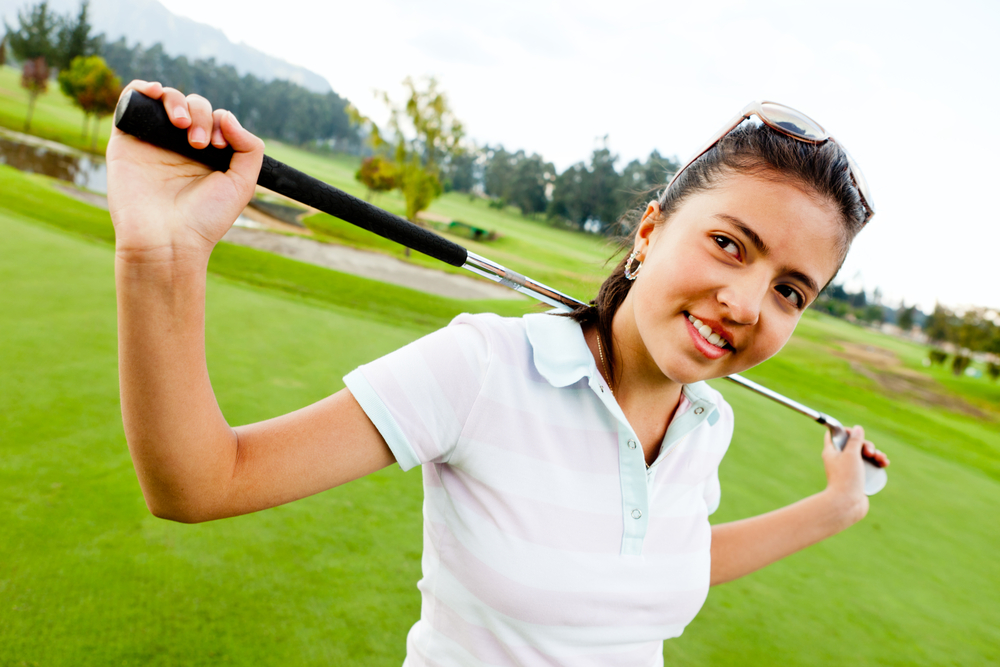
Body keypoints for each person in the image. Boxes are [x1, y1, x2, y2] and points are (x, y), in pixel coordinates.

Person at [108, 82, 890, 666]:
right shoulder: (483, 366)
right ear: (651, 230)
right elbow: (200, 482)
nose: (747, 302)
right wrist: (161, 254)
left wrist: (836, 504)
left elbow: (656, 572)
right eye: (730, 243)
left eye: (791, 290)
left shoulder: (708, 422)